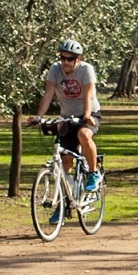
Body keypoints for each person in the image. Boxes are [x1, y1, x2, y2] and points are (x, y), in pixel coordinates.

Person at [35, 37, 103, 195]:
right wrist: (38, 117)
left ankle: (94, 173)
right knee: (65, 158)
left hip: (90, 112)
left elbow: (88, 95)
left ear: (77, 59)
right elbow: (48, 94)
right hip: (67, 116)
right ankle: (66, 202)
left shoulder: (86, 70)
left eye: (70, 59)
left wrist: (86, 115)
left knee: (84, 134)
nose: (65, 62)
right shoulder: (55, 69)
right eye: (63, 58)